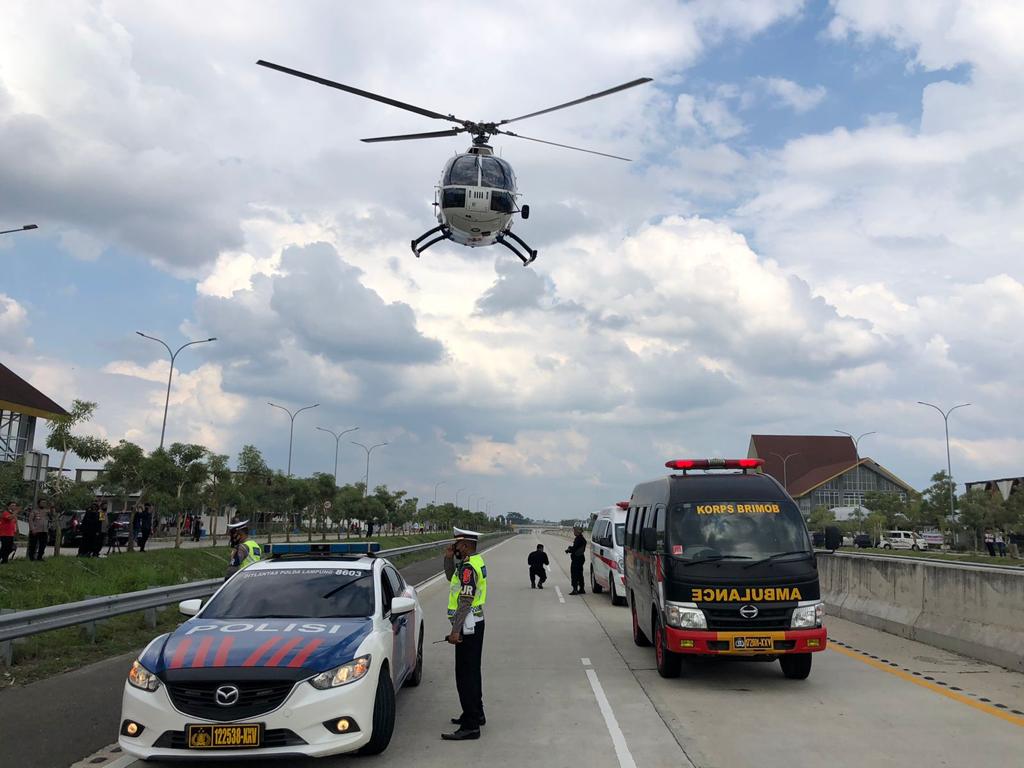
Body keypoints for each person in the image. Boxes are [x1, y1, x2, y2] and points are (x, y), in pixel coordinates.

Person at [442, 527, 487, 741]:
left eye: (458, 544)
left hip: (468, 626)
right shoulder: (472, 562)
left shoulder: (469, 568)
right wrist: (448, 558)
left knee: (465, 676)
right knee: (472, 672)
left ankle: (471, 726)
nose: (455, 547)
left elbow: (466, 600)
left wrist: (455, 630)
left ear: (467, 545)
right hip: (474, 623)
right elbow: (451, 578)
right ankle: (476, 713)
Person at [565, 525, 587, 594]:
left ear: (578, 531)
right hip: (580, 558)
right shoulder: (582, 539)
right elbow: (576, 547)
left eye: (575, 530)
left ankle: (575, 589)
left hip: (577, 559)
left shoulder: (578, 539)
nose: (574, 532)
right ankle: (582, 588)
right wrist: (571, 548)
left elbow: (575, 549)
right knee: (580, 574)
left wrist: (569, 550)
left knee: (574, 574)